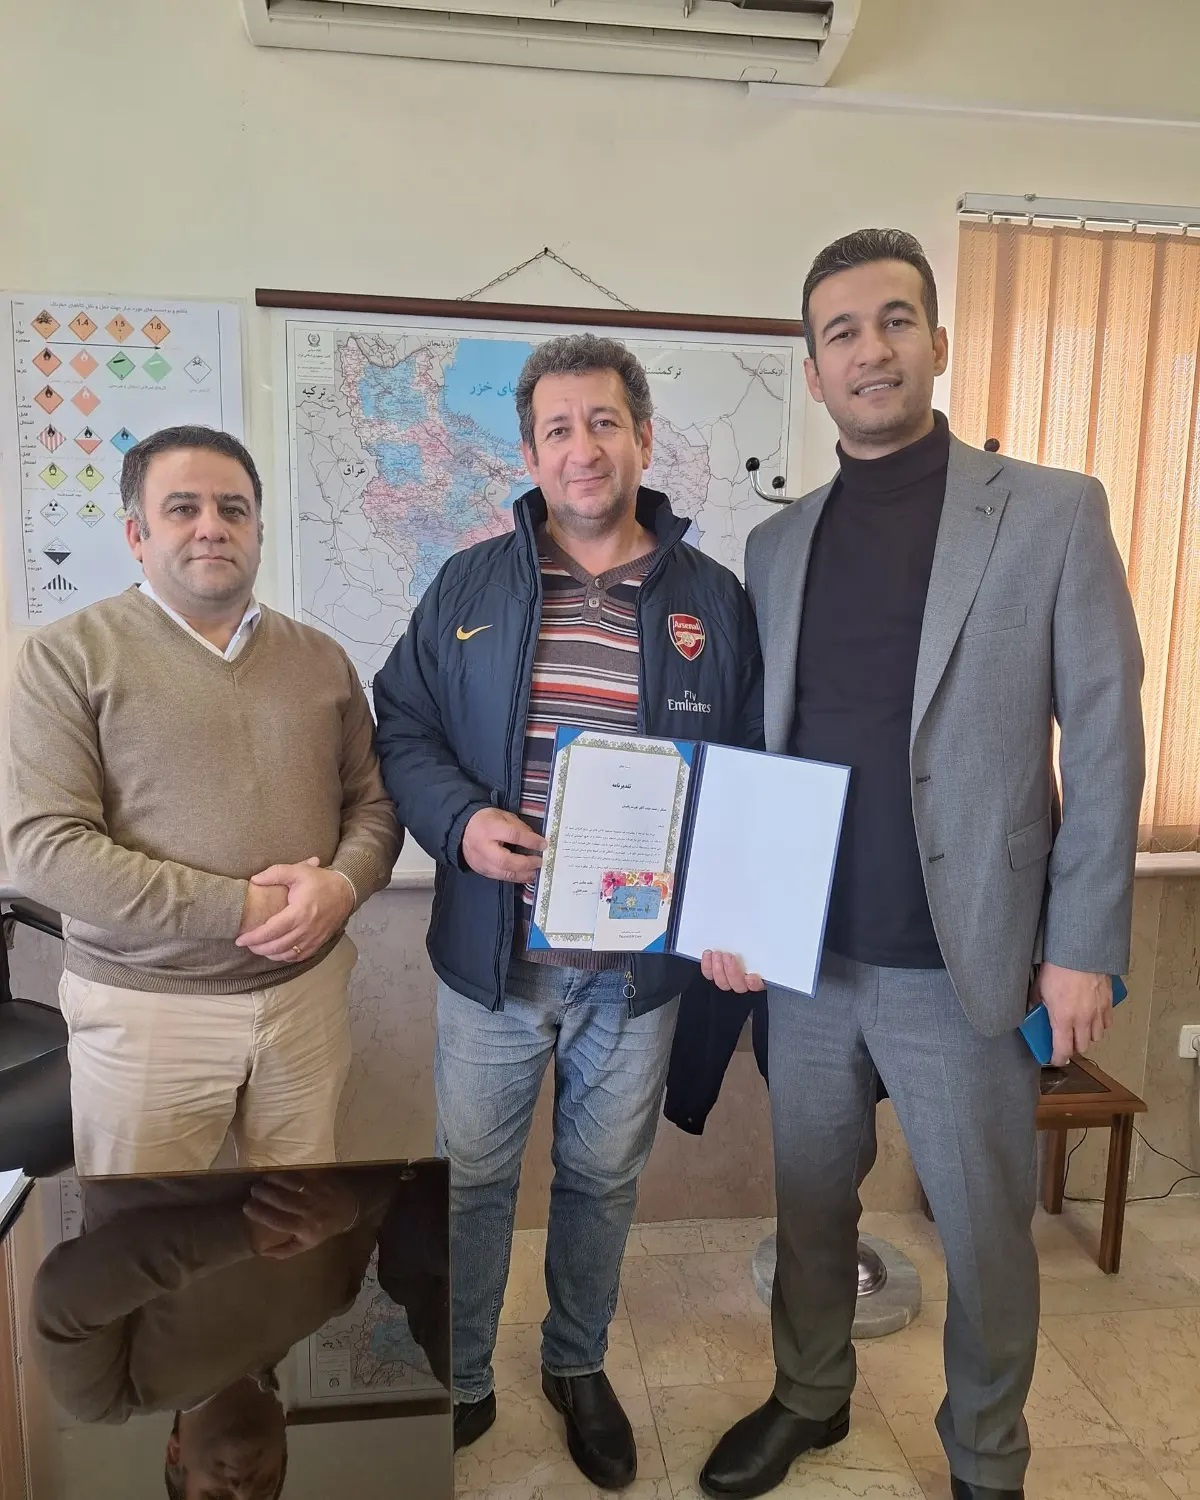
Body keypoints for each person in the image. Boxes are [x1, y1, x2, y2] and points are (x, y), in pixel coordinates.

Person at [698, 229, 1144, 1500]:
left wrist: (1083, 947)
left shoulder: (1052, 512)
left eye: (895, 321)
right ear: (814, 371)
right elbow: (763, 741)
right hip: (808, 958)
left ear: (938, 343)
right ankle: (810, 1395)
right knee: (809, 1209)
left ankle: (986, 1457)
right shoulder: (777, 546)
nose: (871, 349)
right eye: (841, 332)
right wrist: (735, 904)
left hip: (968, 960)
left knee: (988, 1239)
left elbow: (1106, 736)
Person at [373, 333, 762, 1489]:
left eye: (602, 423)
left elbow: (748, 770)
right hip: (494, 962)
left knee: (601, 1181)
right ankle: (465, 1378)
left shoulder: (714, 601)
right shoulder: (471, 584)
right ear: (531, 452)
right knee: (472, 1183)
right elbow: (404, 726)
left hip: (635, 975)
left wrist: (735, 907)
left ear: (642, 437)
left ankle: (576, 1363)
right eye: (557, 429)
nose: (581, 448)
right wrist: (459, 823)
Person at [4, 425, 401, 1176]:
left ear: (258, 530)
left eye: (233, 508)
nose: (212, 527)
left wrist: (343, 887)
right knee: (150, 1236)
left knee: (297, 1222)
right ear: (136, 534)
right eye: (183, 508)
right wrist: (241, 909)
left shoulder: (321, 659)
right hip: (146, 1014)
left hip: (305, 1000)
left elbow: (374, 808)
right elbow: (47, 851)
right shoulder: (67, 657)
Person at [29, 1170, 385, 1497]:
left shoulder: (111, 1395)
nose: (241, 1491)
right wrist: (351, 1208)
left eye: (216, 1499)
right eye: (264, 1490)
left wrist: (247, 1233)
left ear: (174, 1453)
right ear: (284, 1446)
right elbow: (392, 1179)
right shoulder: (330, 1300)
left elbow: (63, 1299)